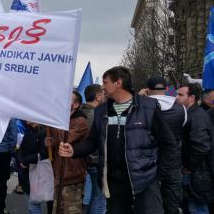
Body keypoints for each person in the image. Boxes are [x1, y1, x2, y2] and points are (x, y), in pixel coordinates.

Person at [59, 66, 178, 214]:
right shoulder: (100, 111)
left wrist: (159, 174)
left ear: (118, 83)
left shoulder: (148, 107)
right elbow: (92, 141)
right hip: (114, 183)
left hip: (145, 183)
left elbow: (169, 144)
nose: (102, 87)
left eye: (105, 82)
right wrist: (74, 150)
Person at [139, 76, 186, 214]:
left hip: (148, 164)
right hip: (172, 163)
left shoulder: (141, 106)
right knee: (171, 205)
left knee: (150, 206)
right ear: (166, 89)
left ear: (147, 89)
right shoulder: (181, 108)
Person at [49, 91, 89, 214]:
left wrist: (53, 119)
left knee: (72, 209)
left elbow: (64, 140)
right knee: (57, 209)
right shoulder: (64, 120)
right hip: (59, 173)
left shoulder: (80, 121)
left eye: (68, 100)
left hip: (71, 176)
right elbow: (54, 142)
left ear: (76, 105)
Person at [176, 83, 212, 213]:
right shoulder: (192, 114)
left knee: (197, 209)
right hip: (197, 173)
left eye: (180, 95)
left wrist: (188, 167)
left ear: (191, 98)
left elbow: (202, 146)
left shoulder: (196, 116)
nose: (176, 97)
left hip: (198, 174)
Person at [80, 84, 106, 214]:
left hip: (88, 161)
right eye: (103, 93)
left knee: (94, 198)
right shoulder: (94, 115)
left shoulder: (82, 112)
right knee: (100, 200)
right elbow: (95, 140)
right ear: (98, 96)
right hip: (96, 161)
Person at [17, 121, 49, 214]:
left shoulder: (43, 132)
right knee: (30, 203)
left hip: (37, 171)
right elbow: (21, 148)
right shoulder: (29, 129)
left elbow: (43, 154)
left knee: (33, 204)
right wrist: (21, 160)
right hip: (26, 170)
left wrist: (25, 160)